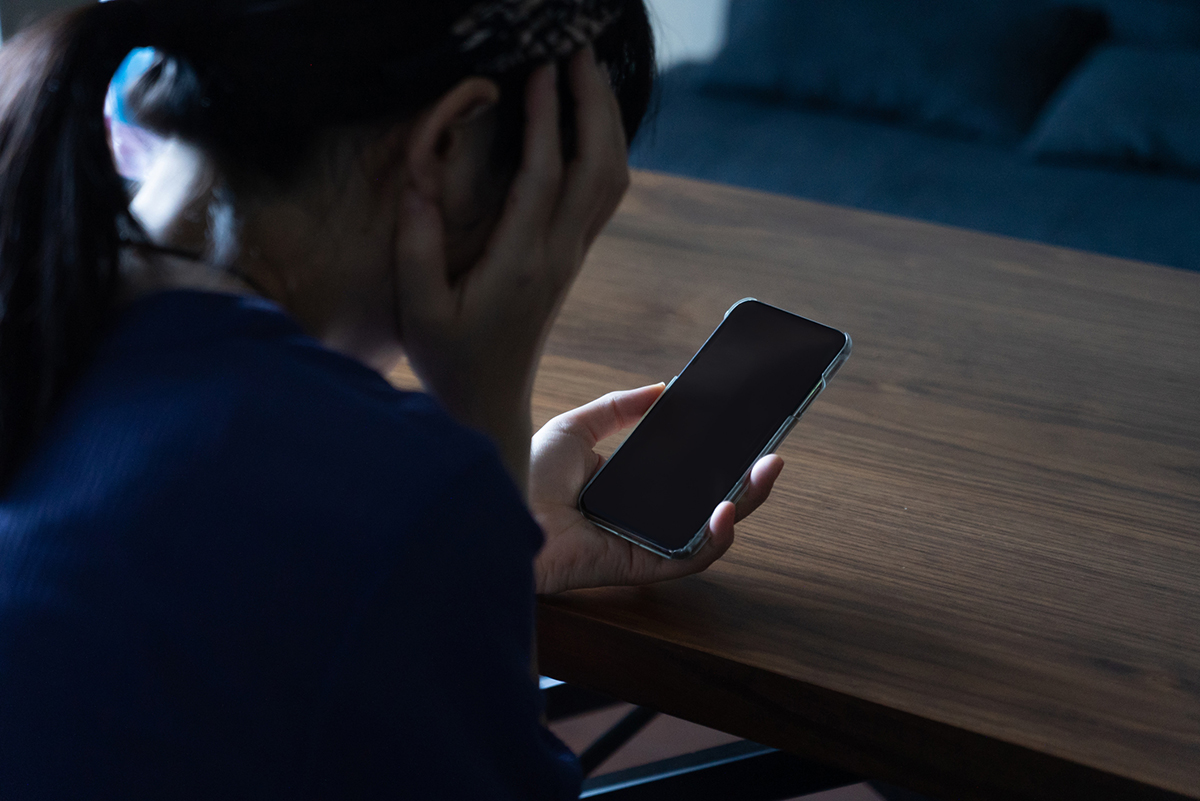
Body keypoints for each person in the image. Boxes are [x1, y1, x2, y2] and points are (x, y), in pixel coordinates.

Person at [0, 0, 784, 797]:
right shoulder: (397, 490)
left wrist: (484, 545)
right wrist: (486, 426)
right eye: (574, 191)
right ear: (448, 143)